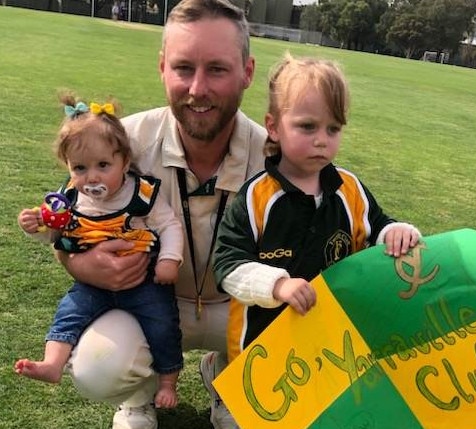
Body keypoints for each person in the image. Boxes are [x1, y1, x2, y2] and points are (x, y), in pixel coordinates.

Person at [57, 1, 266, 428]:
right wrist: (78, 262)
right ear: (162, 68)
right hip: (149, 299)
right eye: (184, 67)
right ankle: (138, 395)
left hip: (237, 308)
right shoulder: (121, 141)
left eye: (218, 69)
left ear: (247, 71)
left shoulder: (272, 158)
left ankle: (230, 379)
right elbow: (65, 220)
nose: (198, 88)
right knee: (97, 366)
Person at [213, 53, 422, 361]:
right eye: (308, 127)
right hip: (261, 348)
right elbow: (227, 265)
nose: (322, 140)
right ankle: (220, 377)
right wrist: (277, 285)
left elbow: (376, 226)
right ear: (273, 127)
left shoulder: (350, 189)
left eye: (333, 129)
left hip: (328, 341)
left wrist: (395, 232)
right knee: (262, 407)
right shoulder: (255, 198)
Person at [15, 95, 184, 409]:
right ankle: (52, 364)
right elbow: (56, 234)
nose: (91, 177)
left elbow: (170, 225)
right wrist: (36, 226)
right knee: (68, 312)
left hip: (144, 283)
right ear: (67, 166)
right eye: (79, 168)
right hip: (92, 285)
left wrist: (169, 260)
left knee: (163, 323)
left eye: (103, 165)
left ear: (124, 161)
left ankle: (168, 381)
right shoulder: (69, 199)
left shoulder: (140, 193)